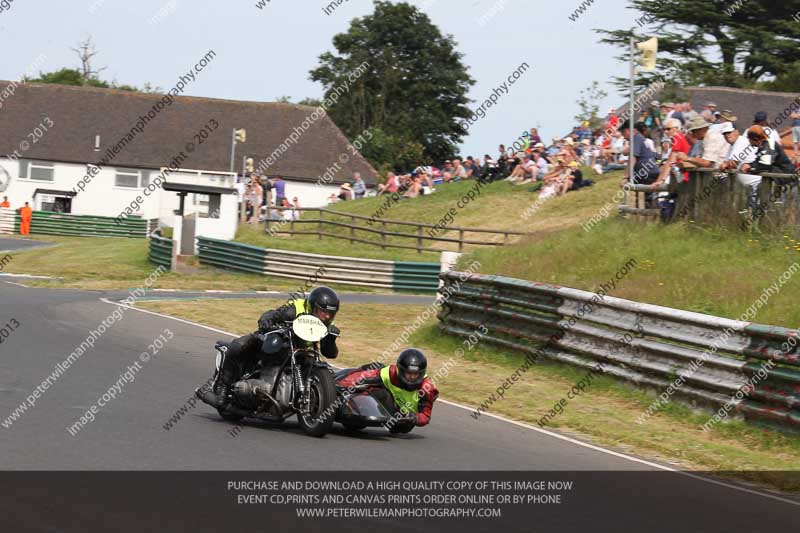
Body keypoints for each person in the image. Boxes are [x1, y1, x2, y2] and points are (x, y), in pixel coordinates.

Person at [201, 287, 342, 408]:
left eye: (330, 313)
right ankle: (223, 388)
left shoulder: (326, 323)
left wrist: (330, 339)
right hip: (283, 341)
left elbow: (329, 353)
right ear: (312, 307)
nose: (326, 316)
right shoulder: (295, 309)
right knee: (240, 345)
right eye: (322, 311)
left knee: (325, 370)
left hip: (303, 354)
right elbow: (272, 315)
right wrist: (267, 321)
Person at [336, 349, 439, 433]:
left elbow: (425, 416)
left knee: (401, 428)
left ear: (421, 373)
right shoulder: (390, 373)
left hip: (402, 419)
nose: (412, 377)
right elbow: (363, 377)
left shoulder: (427, 388)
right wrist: (342, 385)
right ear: (401, 370)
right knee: (375, 368)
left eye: (415, 374)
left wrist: (414, 418)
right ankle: (339, 384)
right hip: (385, 401)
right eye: (408, 373)